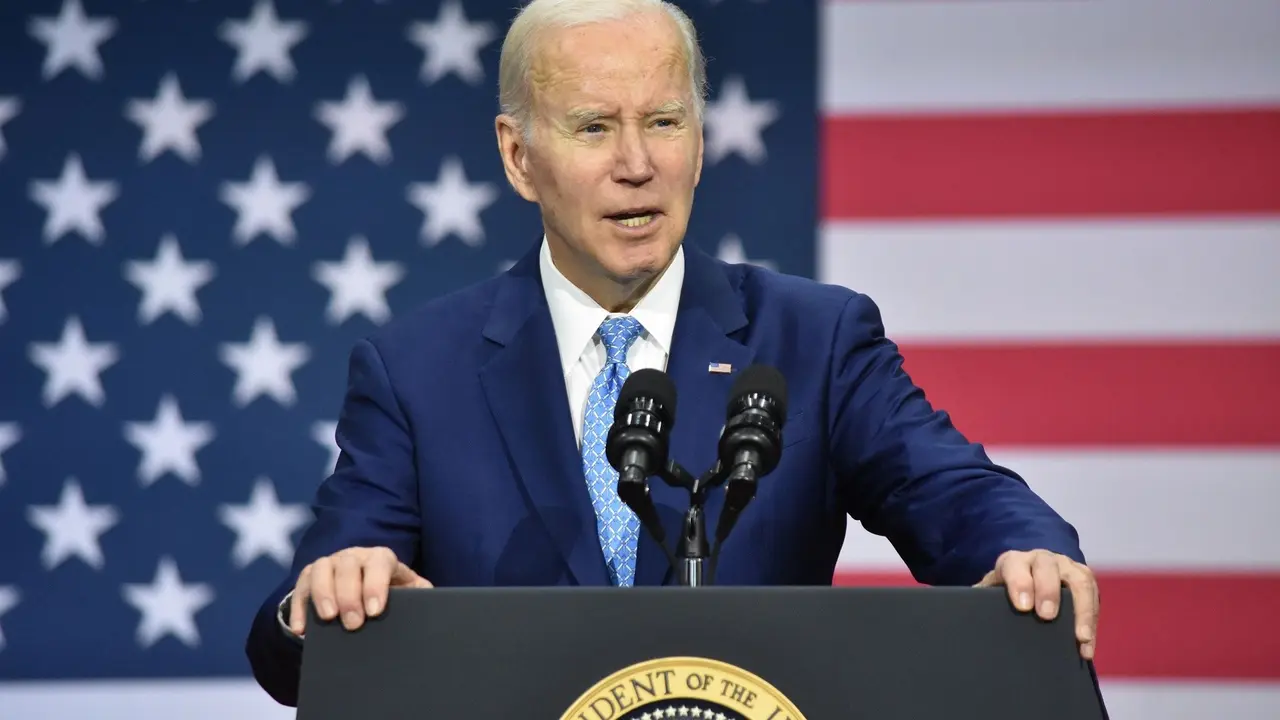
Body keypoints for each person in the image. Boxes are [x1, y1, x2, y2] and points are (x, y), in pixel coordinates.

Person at [245, 0, 1100, 707]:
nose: (636, 163)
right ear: (519, 156)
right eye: (593, 128)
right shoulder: (416, 372)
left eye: (664, 121)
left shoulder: (815, 339)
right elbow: (298, 640)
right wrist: (323, 599)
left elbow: (956, 493)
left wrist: (1020, 552)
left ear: (698, 141)